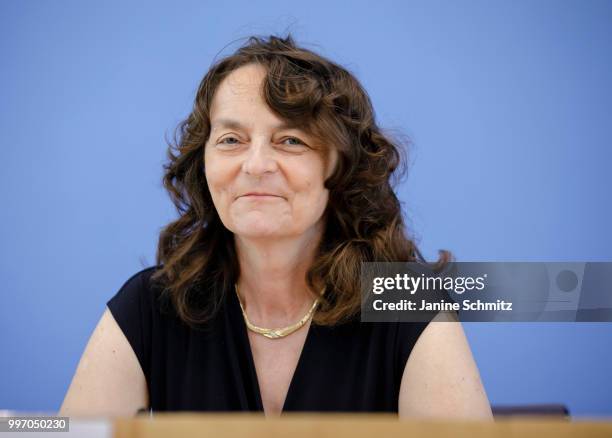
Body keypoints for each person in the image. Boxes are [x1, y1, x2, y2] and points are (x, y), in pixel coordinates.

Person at [59, 34, 493, 420]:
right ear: (204, 163)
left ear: (341, 167)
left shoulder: (409, 302)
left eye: (291, 141)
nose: (256, 165)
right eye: (231, 140)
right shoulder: (151, 305)